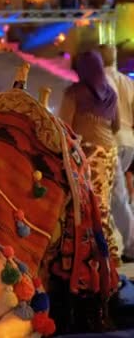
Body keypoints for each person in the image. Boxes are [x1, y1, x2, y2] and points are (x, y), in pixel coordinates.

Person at [58, 50, 121, 265]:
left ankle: (104, 258)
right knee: (103, 205)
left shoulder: (74, 93)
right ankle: (105, 254)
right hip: (109, 153)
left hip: (88, 155)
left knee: (89, 208)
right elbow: (116, 125)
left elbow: (64, 127)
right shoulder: (111, 93)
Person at [99, 44, 134, 263]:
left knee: (113, 196)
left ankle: (126, 246)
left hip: (112, 141)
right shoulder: (128, 82)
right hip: (130, 142)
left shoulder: (101, 82)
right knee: (118, 196)